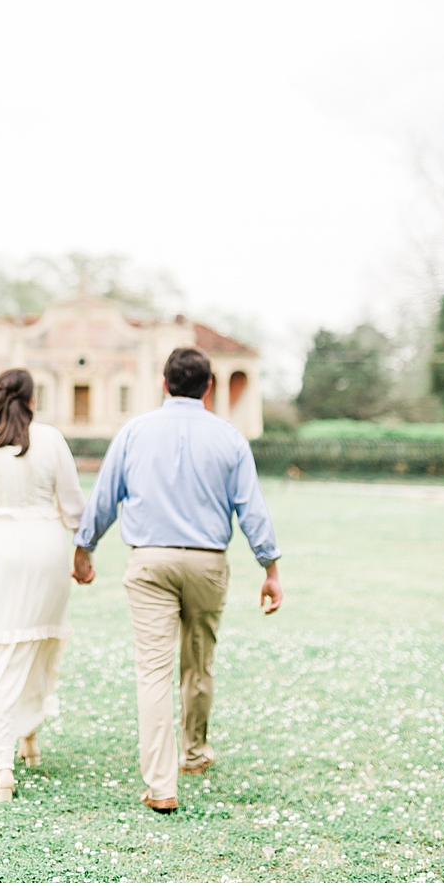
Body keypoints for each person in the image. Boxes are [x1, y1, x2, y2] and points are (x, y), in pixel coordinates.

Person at [73, 347, 283, 814]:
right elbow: (252, 509)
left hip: (149, 562)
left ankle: (161, 784)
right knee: (199, 663)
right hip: (208, 563)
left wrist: (84, 548)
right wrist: (269, 567)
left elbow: (105, 496)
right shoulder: (230, 438)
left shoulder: (134, 432)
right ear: (209, 387)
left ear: (163, 384)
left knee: (153, 671)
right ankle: (193, 752)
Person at [0, 368, 86, 803]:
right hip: (45, 551)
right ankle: (26, 740)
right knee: (38, 646)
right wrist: (84, 552)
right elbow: (73, 509)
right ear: (32, 400)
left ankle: (4, 763)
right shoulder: (51, 439)